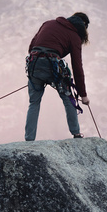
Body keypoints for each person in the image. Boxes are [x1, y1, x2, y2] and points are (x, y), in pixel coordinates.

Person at [24, 12, 90, 141]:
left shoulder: (48, 23)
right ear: (84, 27)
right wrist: (83, 95)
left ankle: (29, 139)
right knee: (68, 99)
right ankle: (76, 134)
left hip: (34, 64)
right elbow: (77, 66)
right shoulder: (75, 36)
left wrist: (40, 71)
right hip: (53, 66)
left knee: (34, 102)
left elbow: (31, 47)